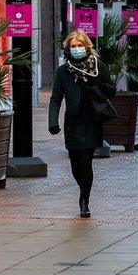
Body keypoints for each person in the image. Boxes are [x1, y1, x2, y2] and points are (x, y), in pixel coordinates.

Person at [48, 30, 116, 219]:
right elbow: (56, 98)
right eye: (73, 46)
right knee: (75, 165)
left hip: (91, 120)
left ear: (86, 47)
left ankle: (84, 200)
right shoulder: (63, 71)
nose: (77, 49)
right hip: (72, 122)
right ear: (68, 49)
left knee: (86, 161)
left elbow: (112, 91)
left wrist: (95, 85)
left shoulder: (96, 67)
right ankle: (83, 188)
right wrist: (52, 121)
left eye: (80, 45)